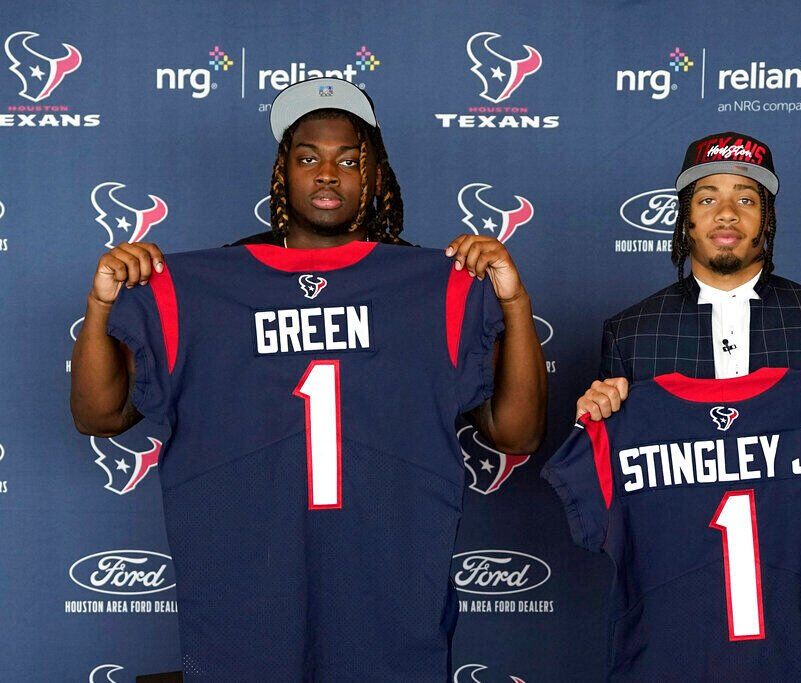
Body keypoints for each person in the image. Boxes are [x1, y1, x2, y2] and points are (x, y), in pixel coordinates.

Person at [70, 77, 547, 680]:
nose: (329, 174)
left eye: (350, 159)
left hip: (387, 581)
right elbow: (98, 416)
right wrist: (102, 303)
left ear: (375, 177)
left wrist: (513, 303)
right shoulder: (202, 289)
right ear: (283, 173)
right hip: (250, 583)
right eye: (309, 157)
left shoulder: (437, 288)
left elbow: (518, 434)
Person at [574, 131, 801, 674]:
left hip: (792, 599)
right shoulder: (631, 332)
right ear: (686, 218)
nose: (726, 213)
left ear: (766, 218)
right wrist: (593, 419)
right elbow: (618, 489)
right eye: (707, 198)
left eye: (745, 198)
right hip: (673, 596)